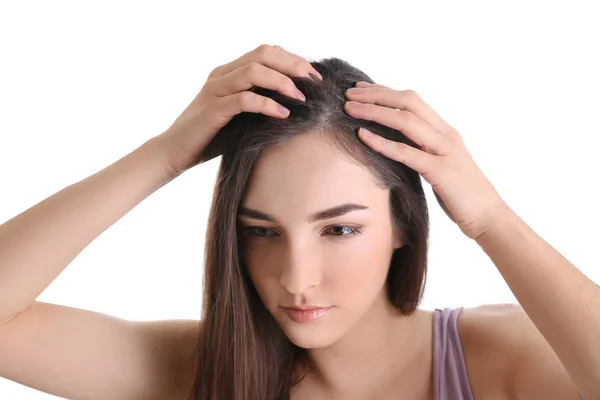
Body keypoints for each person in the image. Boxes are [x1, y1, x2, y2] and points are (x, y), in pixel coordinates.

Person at [0, 44, 591, 400]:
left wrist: (492, 219)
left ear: (403, 224)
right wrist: (164, 154)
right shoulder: (201, 371)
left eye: (338, 229)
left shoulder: (494, 358)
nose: (296, 278)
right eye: (262, 231)